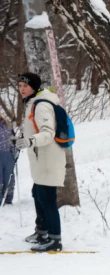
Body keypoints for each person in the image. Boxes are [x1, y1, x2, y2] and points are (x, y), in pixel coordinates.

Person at [13, 73, 65, 252]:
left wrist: (29, 141)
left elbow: (48, 133)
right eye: (19, 86)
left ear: (34, 86)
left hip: (48, 158)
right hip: (39, 158)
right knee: (38, 193)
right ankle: (41, 232)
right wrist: (23, 138)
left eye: (25, 86)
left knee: (47, 198)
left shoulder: (42, 105)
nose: (22, 89)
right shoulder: (31, 103)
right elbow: (33, 129)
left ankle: (54, 239)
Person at [0, 113, 16, 206]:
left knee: (9, 180)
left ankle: (8, 201)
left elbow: (13, 138)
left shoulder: (7, 125)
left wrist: (16, 144)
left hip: (9, 156)